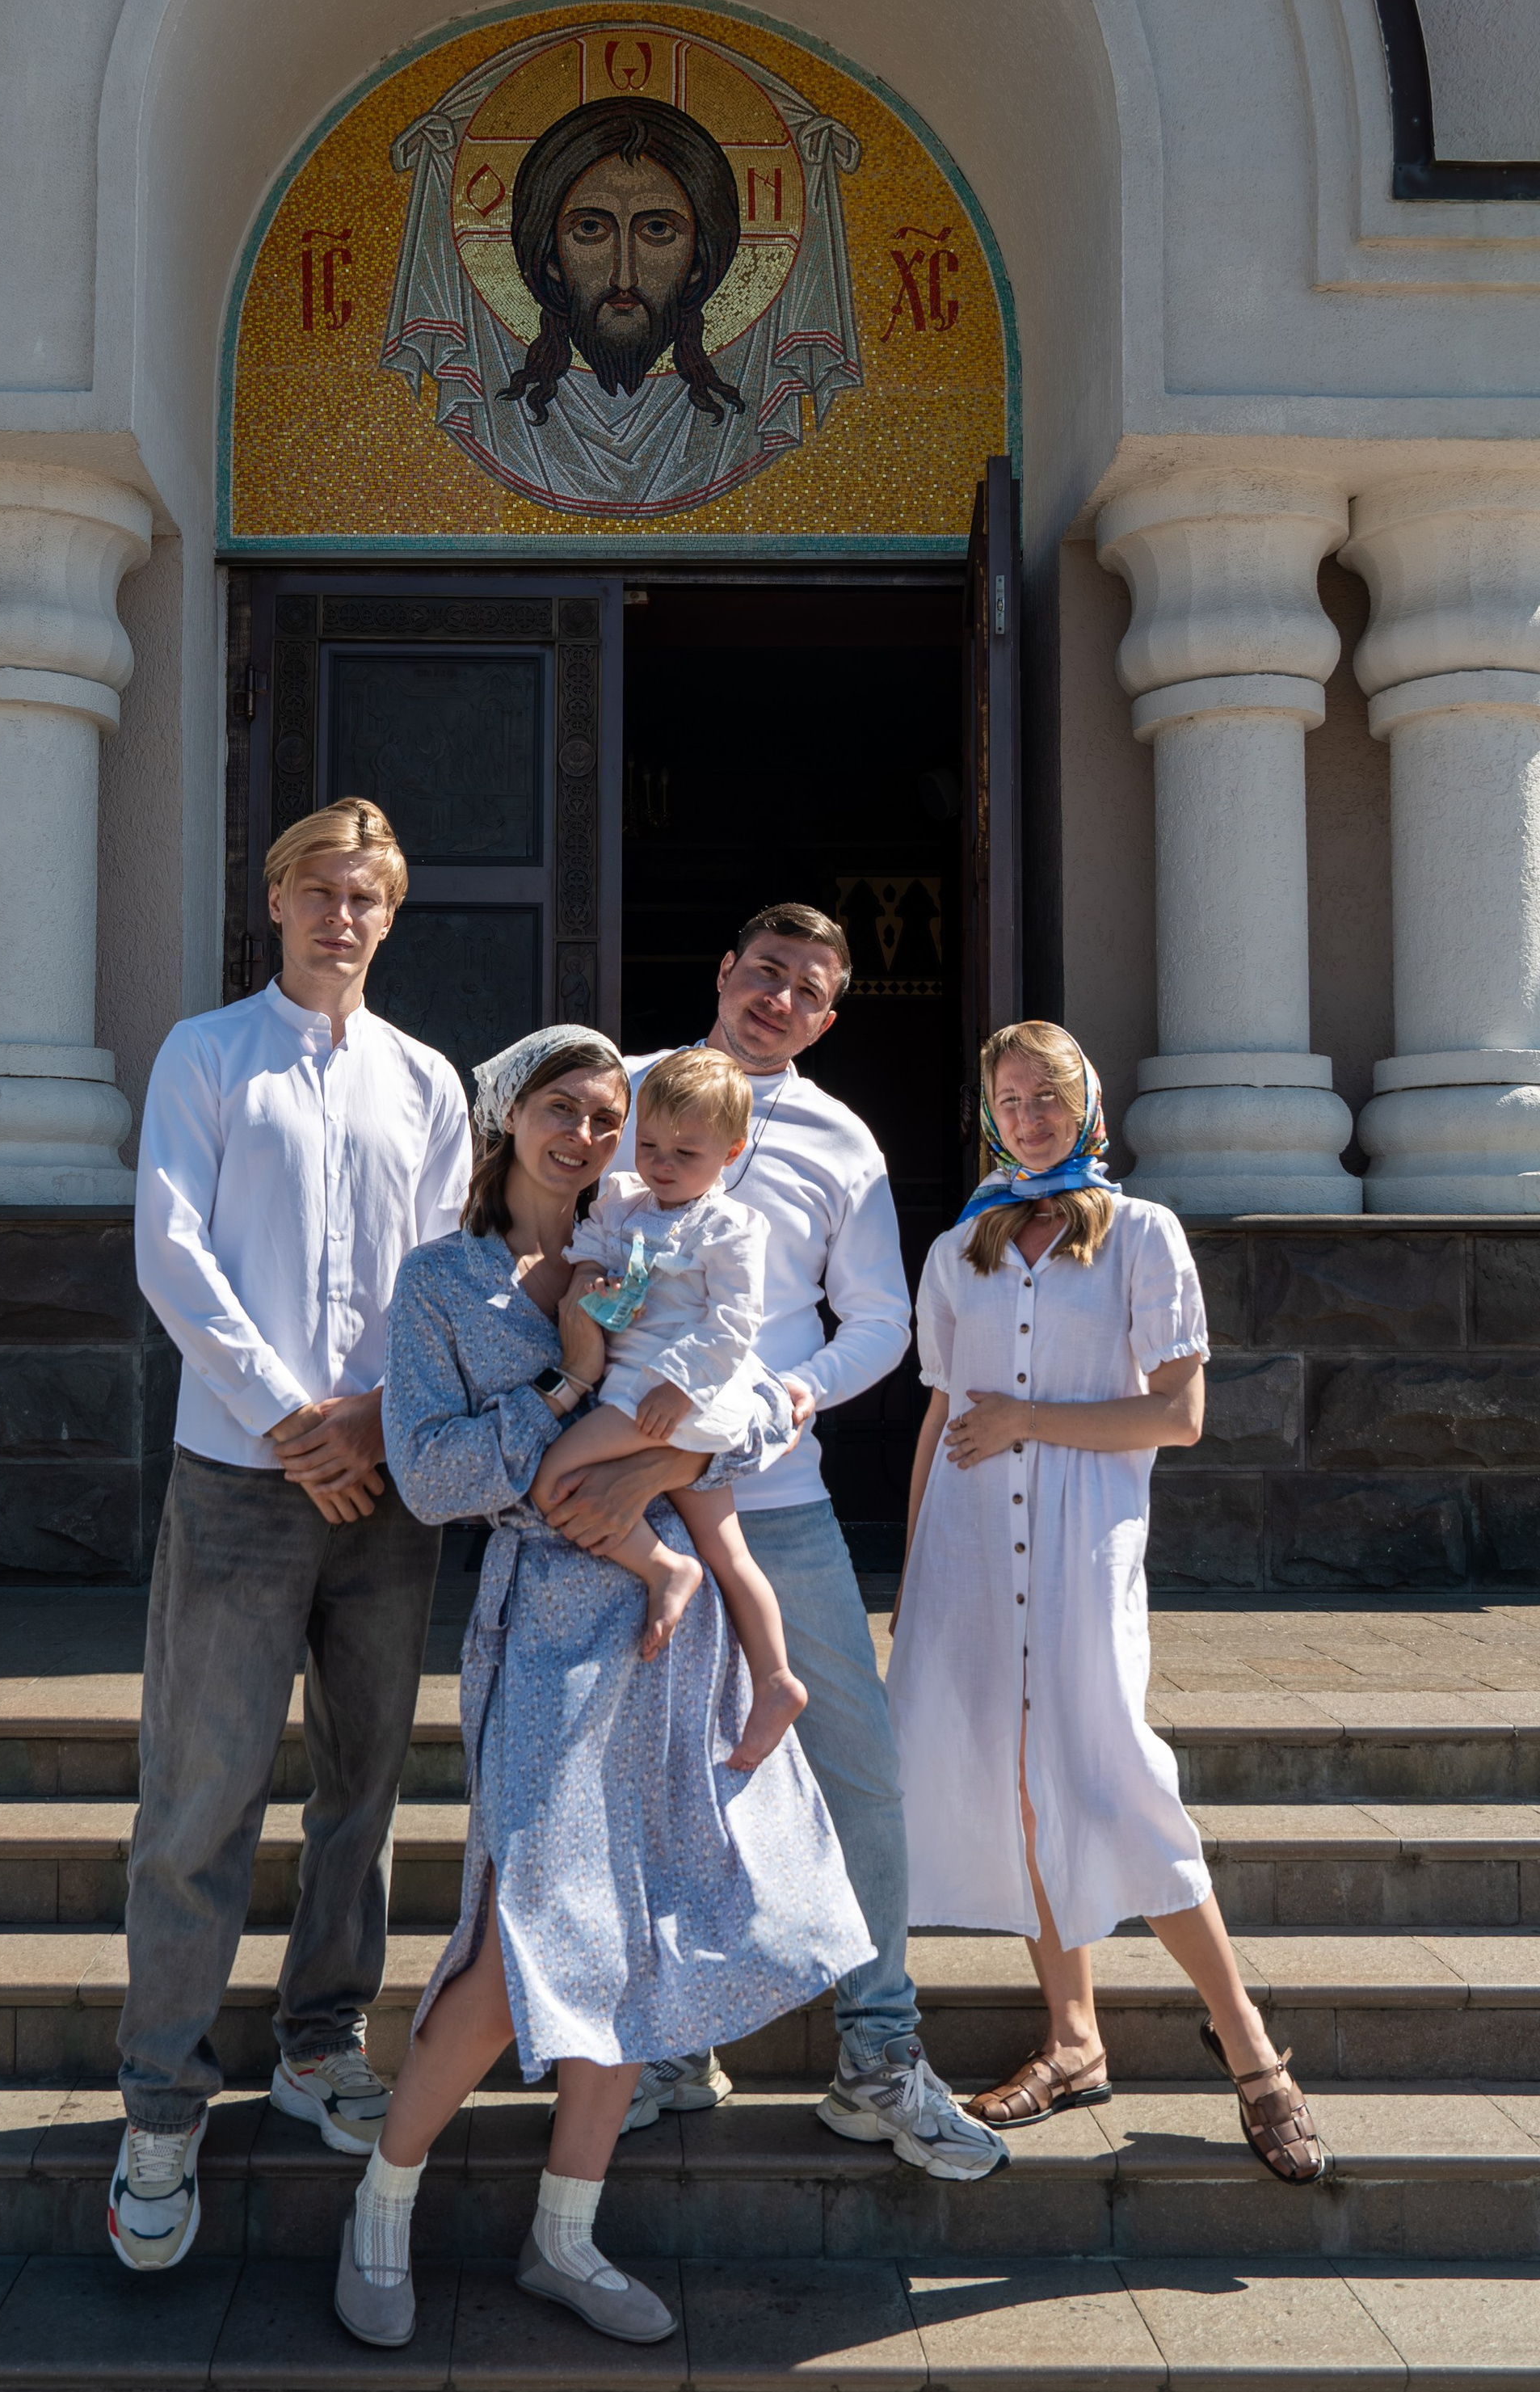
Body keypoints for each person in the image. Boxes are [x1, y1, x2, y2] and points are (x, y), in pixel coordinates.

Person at [346, 1025, 873, 2352]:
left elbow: (754, 1403)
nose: (587, 1136)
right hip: (542, 1634)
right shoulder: (442, 1283)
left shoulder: (659, 1232)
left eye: (606, 1113)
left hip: (668, 1635)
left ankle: (565, 2237)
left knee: (639, 1935)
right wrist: (571, 1407)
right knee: (512, 1934)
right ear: (508, 1119)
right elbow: (430, 1475)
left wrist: (643, 1467)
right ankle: (382, 2206)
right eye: (563, 1111)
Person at [540, 902, 1003, 2182]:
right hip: (619, 1488)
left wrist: (785, 1397)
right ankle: (670, 2048)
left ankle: (879, 2052)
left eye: (809, 988)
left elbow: (877, 1325)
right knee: (642, 1769)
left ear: (830, 1014)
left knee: (853, 1764)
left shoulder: (838, 1137)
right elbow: (546, 1249)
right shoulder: (618, 1093)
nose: (780, 999)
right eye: (765, 973)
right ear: (724, 973)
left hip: (774, 1495)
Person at [108, 798, 472, 2272]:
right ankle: (160, 2101)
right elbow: (172, 1251)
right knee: (199, 1797)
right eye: (320, 889)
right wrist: (288, 1420)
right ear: (277, 901)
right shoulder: (207, 1053)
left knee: (362, 1788)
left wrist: (376, 1422)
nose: (342, 915)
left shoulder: (427, 1080)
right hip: (243, 1481)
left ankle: (323, 2043)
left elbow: (451, 1272)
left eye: (367, 895)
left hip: (386, 1487)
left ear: (392, 916)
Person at [888, 1018, 1326, 2187]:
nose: (1030, 1115)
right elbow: (941, 1411)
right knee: (1021, 1789)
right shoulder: (961, 1249)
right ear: (992, 1116)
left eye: (1050, 1095)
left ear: (1089, 1108)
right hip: (970, 1559)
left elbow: (1177, 1415)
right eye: (1011, 1098)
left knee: (1117, 1778)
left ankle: (1250, 2048)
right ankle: (1073, 2039)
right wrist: (918, 1577)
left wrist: (1031, 1420)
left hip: (1085, 1553)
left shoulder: (1142, 1235)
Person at [535, 1043, 808, 1768]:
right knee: (728, 1547)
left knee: (550, 1478)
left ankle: (662, 1568)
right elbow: (589, 1244)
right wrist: (591, 1273)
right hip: (631, 1384)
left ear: (731, 1150)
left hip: (666, 1395)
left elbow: (735, 1323)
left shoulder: (730, 1228)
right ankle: (777, 1678)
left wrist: (678, 1385)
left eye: (685, 1152)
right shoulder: (626, 1198)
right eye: (650, 1144)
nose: (661, 1163)